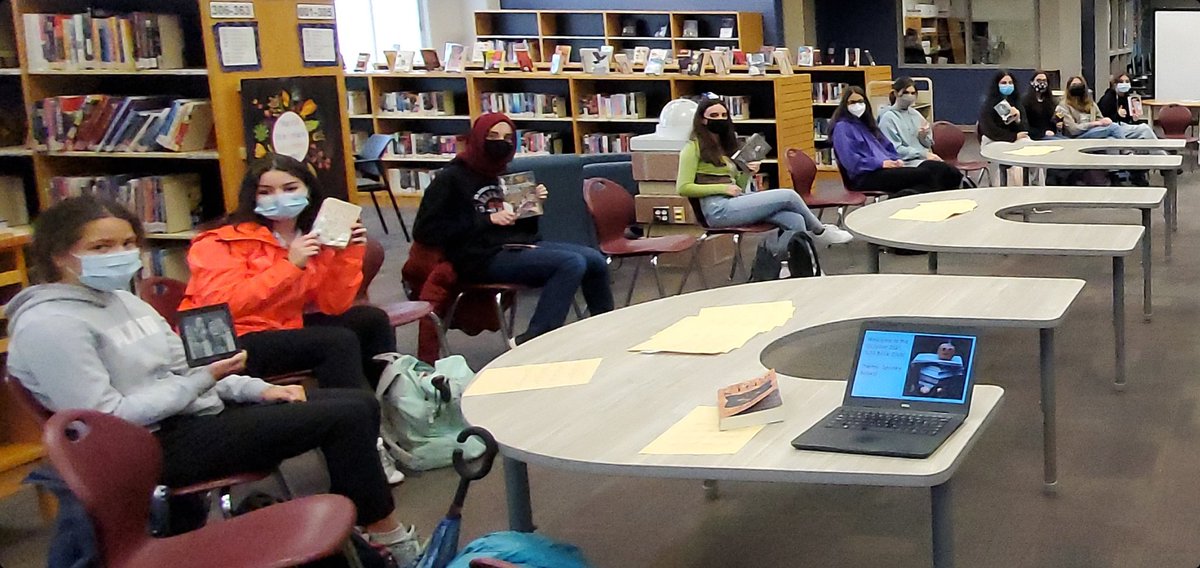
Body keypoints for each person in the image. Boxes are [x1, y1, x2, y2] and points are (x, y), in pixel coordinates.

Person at [6, 196, 423, 564]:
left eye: (128, 244)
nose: (121, 254)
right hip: (148, 447)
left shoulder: (125, 302)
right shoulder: (50, 326)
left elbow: (188, 368)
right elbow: (108, 418)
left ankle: (363, 531)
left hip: (190, 414)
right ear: (60, 256)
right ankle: (386, 535)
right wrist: (200, 382)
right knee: (345, 415)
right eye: (101, 247)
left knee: (354, 403)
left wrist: (258, 388)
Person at [180, 154, 395, 392]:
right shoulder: (220, 240)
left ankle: (397, 406)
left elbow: (333, 305)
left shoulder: (311, 236)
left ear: (308, 191)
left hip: (282, 326)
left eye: (290, 188)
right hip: (228, 339)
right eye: (266, 191)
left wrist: (346, 253)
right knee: (336, 342)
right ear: (252, 196)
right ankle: (353, 419)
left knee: (370, 320)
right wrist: (290, 265)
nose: (280, 197)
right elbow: (221, 306)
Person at [413, 112, 614, 345]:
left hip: (513, 245)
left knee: (594, 259)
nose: (501, 143)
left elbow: (525, 230)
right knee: (570, 263)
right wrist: (488, 220)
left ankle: (603, 328)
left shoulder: (504, 174)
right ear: (478, 138)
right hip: (475, 256)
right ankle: (535, 339)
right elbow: (426, 231)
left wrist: (531, 205)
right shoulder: (451, 178)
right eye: (493, 136)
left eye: (508, 138)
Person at [676, 96, 853, 245]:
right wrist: (721, 189)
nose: (720, 119)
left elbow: (737, 185)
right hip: (716, 210)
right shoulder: (693, 148)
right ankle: (820, 231)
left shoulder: (725, 147)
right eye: (714, 115)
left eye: (724, 115)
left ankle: (799, 268)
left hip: (735, 201)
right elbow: (683, 187)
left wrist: (747, 172)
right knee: (789, 196)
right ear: (702, 119)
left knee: (795, 220)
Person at [830, 86, 963, 194]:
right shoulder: (843, 128)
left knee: (939, 168)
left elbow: (887, 147)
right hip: (865, 175)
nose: (858, 105)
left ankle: (959, 189)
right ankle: (910, 199)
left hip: (886, 168)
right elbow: (851, 162)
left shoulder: (867, 125)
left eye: (861, 102)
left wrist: (895, 160)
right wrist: (881, 163)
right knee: (925, 175)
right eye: (852, 102)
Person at [878, 77, 946, 166]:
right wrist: (922, 154)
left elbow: (928, 144)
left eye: (913, 93)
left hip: (922, 159)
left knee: (947, 171)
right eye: (906, 92)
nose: (910, 96)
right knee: (936, 171)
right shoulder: (888, 118)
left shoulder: (915, 114)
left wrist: (923, 137)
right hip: (905, 162)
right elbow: (895, 149)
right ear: (895, 93)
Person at [978, 70, 1030, 145]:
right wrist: (1013, 137)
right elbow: (989, 129)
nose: (1007, 85)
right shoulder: (989, 104)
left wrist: (1018, 119)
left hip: (1016, 139)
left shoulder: (1017, 102)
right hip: (994, 140)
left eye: (1010, 83)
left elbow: (1025, 129)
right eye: (1003, 83)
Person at [1021, 71, 1064, 140]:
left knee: (1067, 140)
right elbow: (1025, 125)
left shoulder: (1051, 101)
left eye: (1044, 80)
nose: (1041, 83)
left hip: (1051, 134)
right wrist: (1043, 133)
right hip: (1036, 136)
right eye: (1038, 80)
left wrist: (1057, 125)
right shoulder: (1025, 101)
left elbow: (1052, 121)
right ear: (1032, 82)